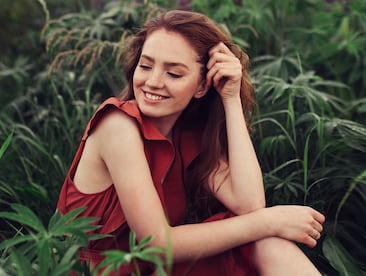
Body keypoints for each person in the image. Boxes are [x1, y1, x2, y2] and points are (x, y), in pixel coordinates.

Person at [57, 10, 325, 275]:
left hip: (156, 271)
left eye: (173, 74)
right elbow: (157, 245)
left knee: (268, 244)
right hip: (101, 272)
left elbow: (249, 205)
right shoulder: (117, 125)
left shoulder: (187, 136)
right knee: (263, 232)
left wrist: (230, 98)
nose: (152, 82)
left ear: (201, 86)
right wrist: (268, 221)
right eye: (146, 65)